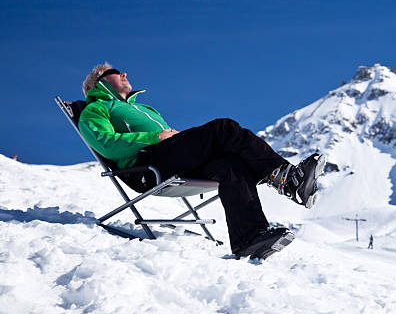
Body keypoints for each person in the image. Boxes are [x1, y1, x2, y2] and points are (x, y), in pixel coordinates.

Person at [78, 63, 326, 259]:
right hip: (146, 166)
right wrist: (155, 136)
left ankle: (249, 238)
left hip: (168, 160)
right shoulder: (96, 109)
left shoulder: (143, 108)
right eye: (114, 72)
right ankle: (288, 179)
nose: (124, 73)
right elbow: (105, 144)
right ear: (98, 83)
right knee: (223, 128)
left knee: (230, 164)